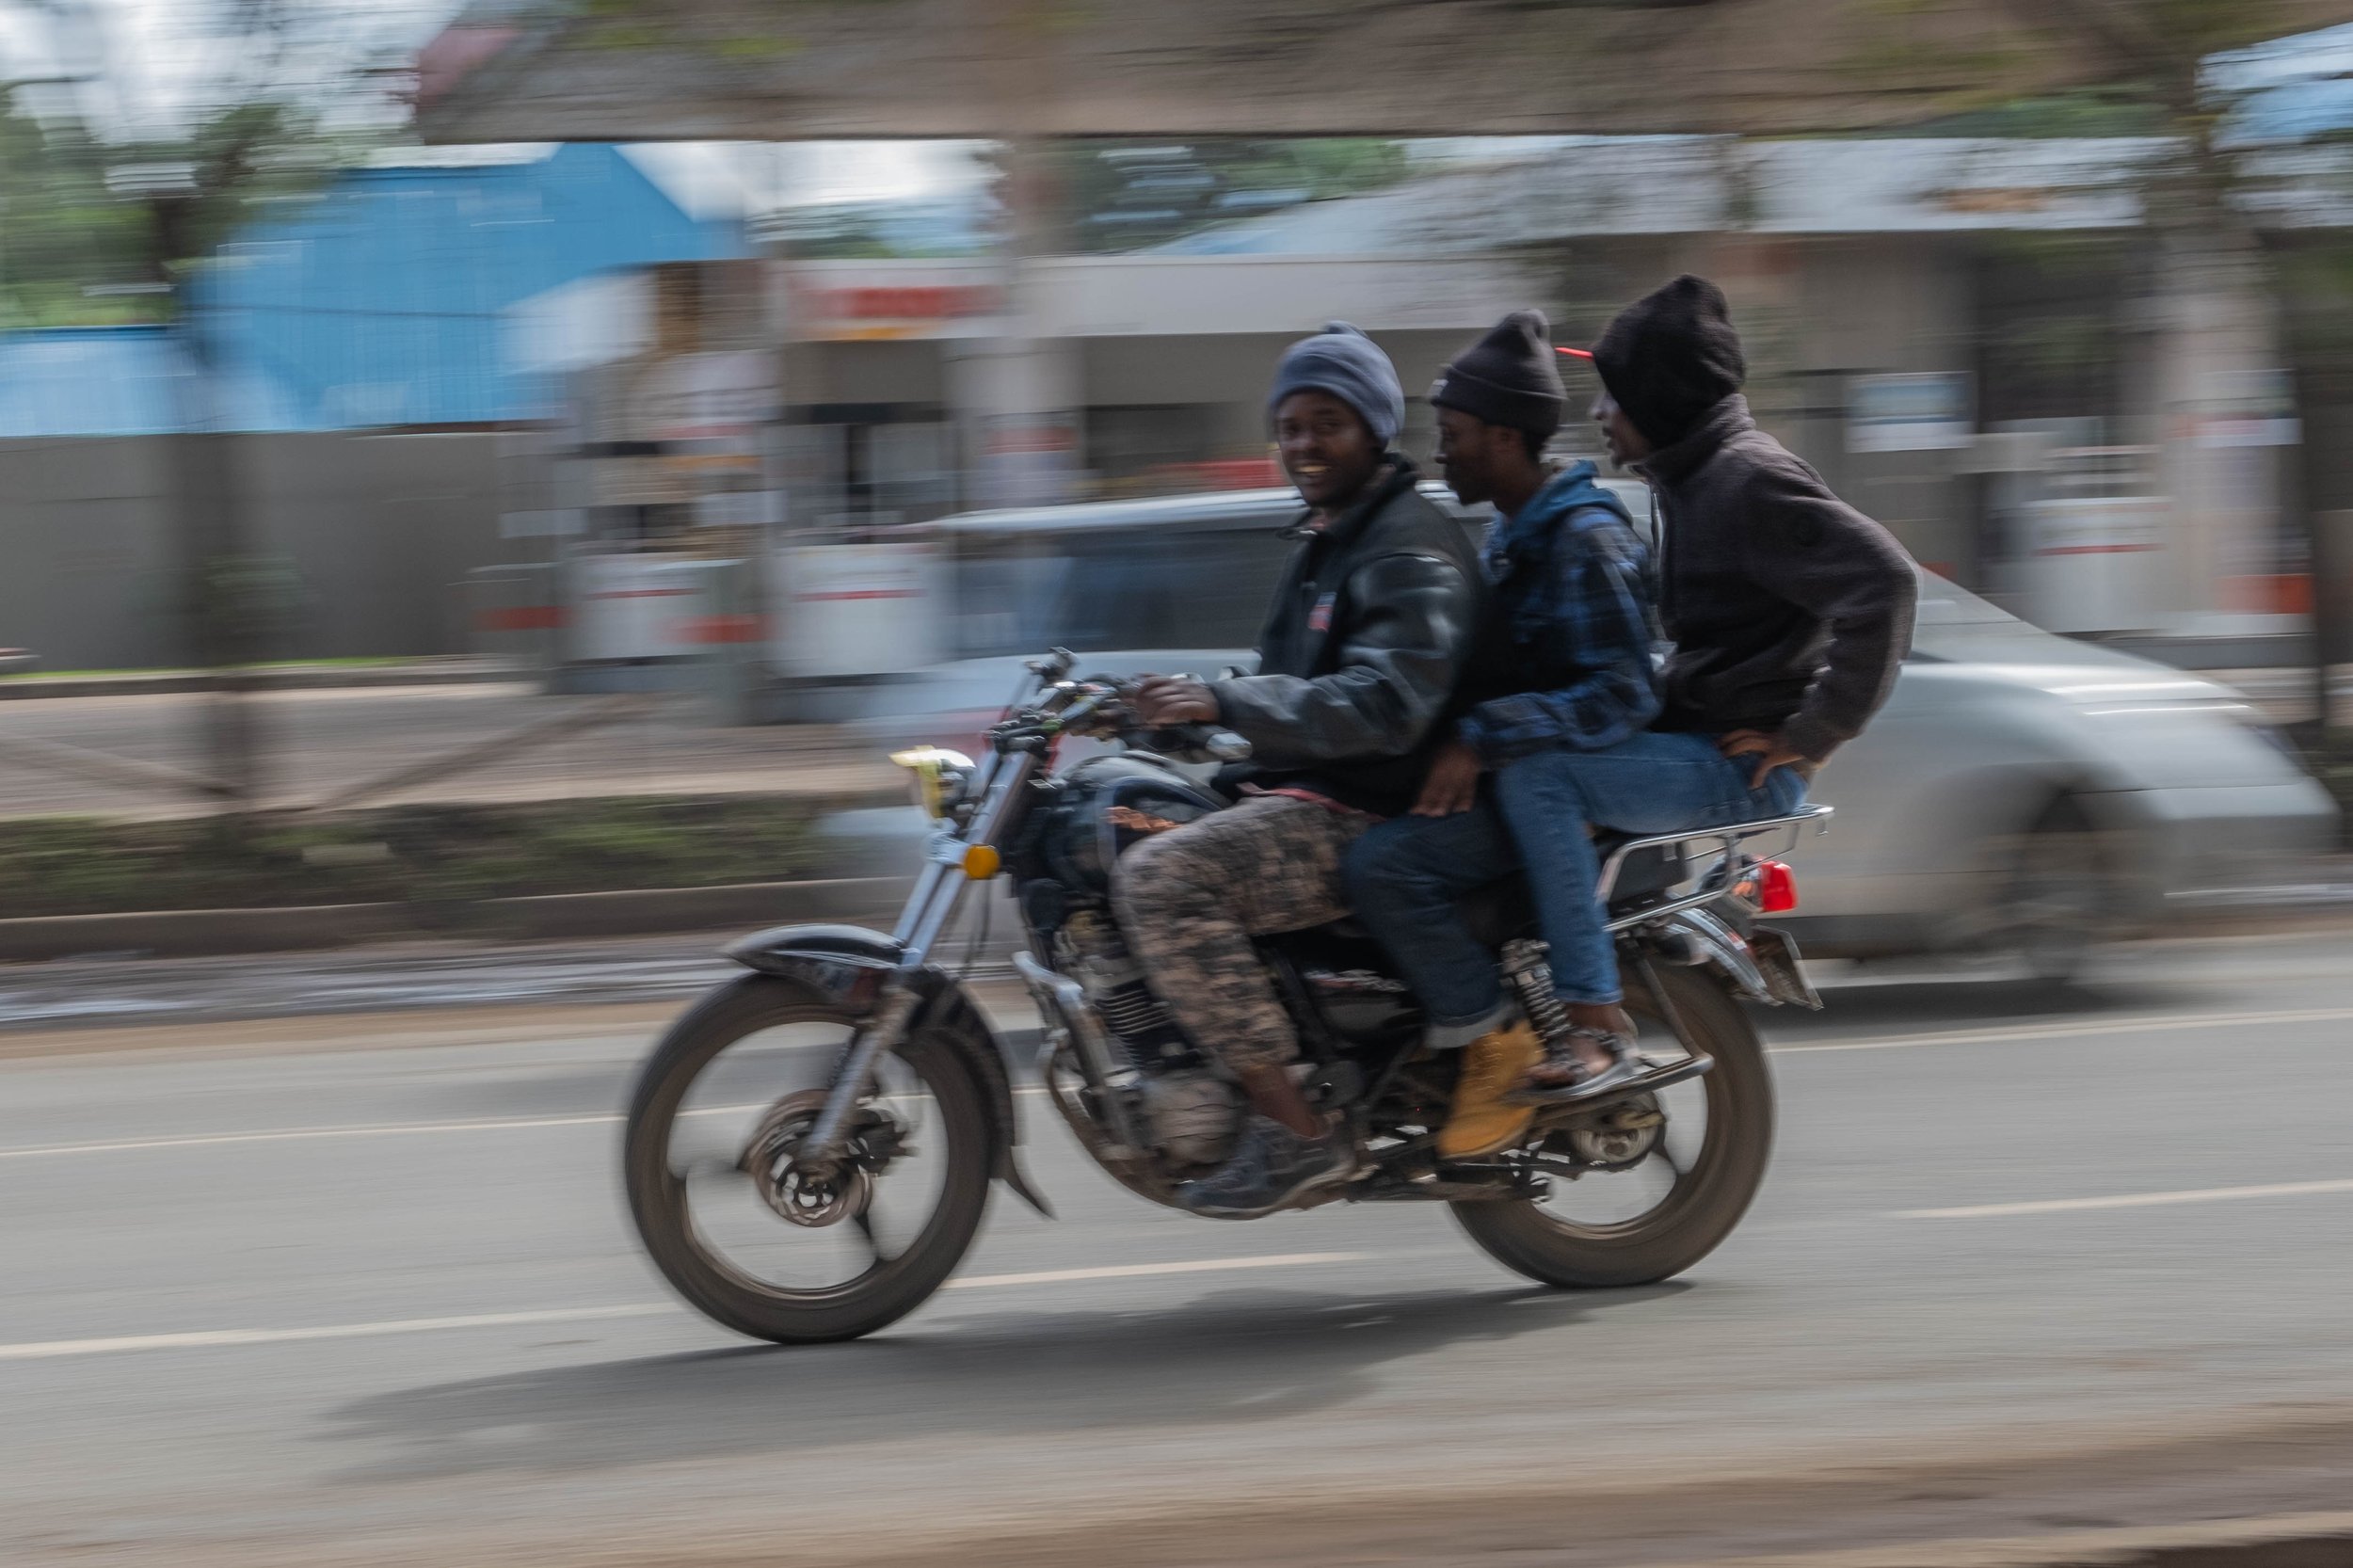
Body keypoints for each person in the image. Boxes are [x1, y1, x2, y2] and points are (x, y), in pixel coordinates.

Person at [1353, 276, 1917, 1115]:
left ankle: (1594, 1022)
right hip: (1692, 738)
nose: (1602, 417)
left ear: (1658, 398)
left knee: (1540, 776)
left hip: (1739, 763)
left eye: (1613, 398)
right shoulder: (1690, 478)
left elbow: (1885, 583)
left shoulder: (1748, 479)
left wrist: (1815, 730)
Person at [1113, 322, 1483, 1219]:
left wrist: (1226, 705)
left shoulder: (1406, 545)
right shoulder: (1329, 536)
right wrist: (1167, 716)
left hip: (1371, 808)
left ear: (1373, 430)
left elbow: (1388, 700)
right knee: (1130, 811)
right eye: (1290, 426)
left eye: (1328, 423)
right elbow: (1293, 689)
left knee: (1164, 879)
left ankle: (1295, 1133)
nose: (1304, 445)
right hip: (1317, 788)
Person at [1342, 309, 1665, 1160]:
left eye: (1453, 435)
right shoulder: (1515, 534)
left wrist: (1484, 736)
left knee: (1384, 867)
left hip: (1559, 795)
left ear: (1507, 439)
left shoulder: (1585, 543)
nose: (1440, 453)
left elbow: (1623, 694)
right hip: (1513, 781)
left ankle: (1489, 1037)